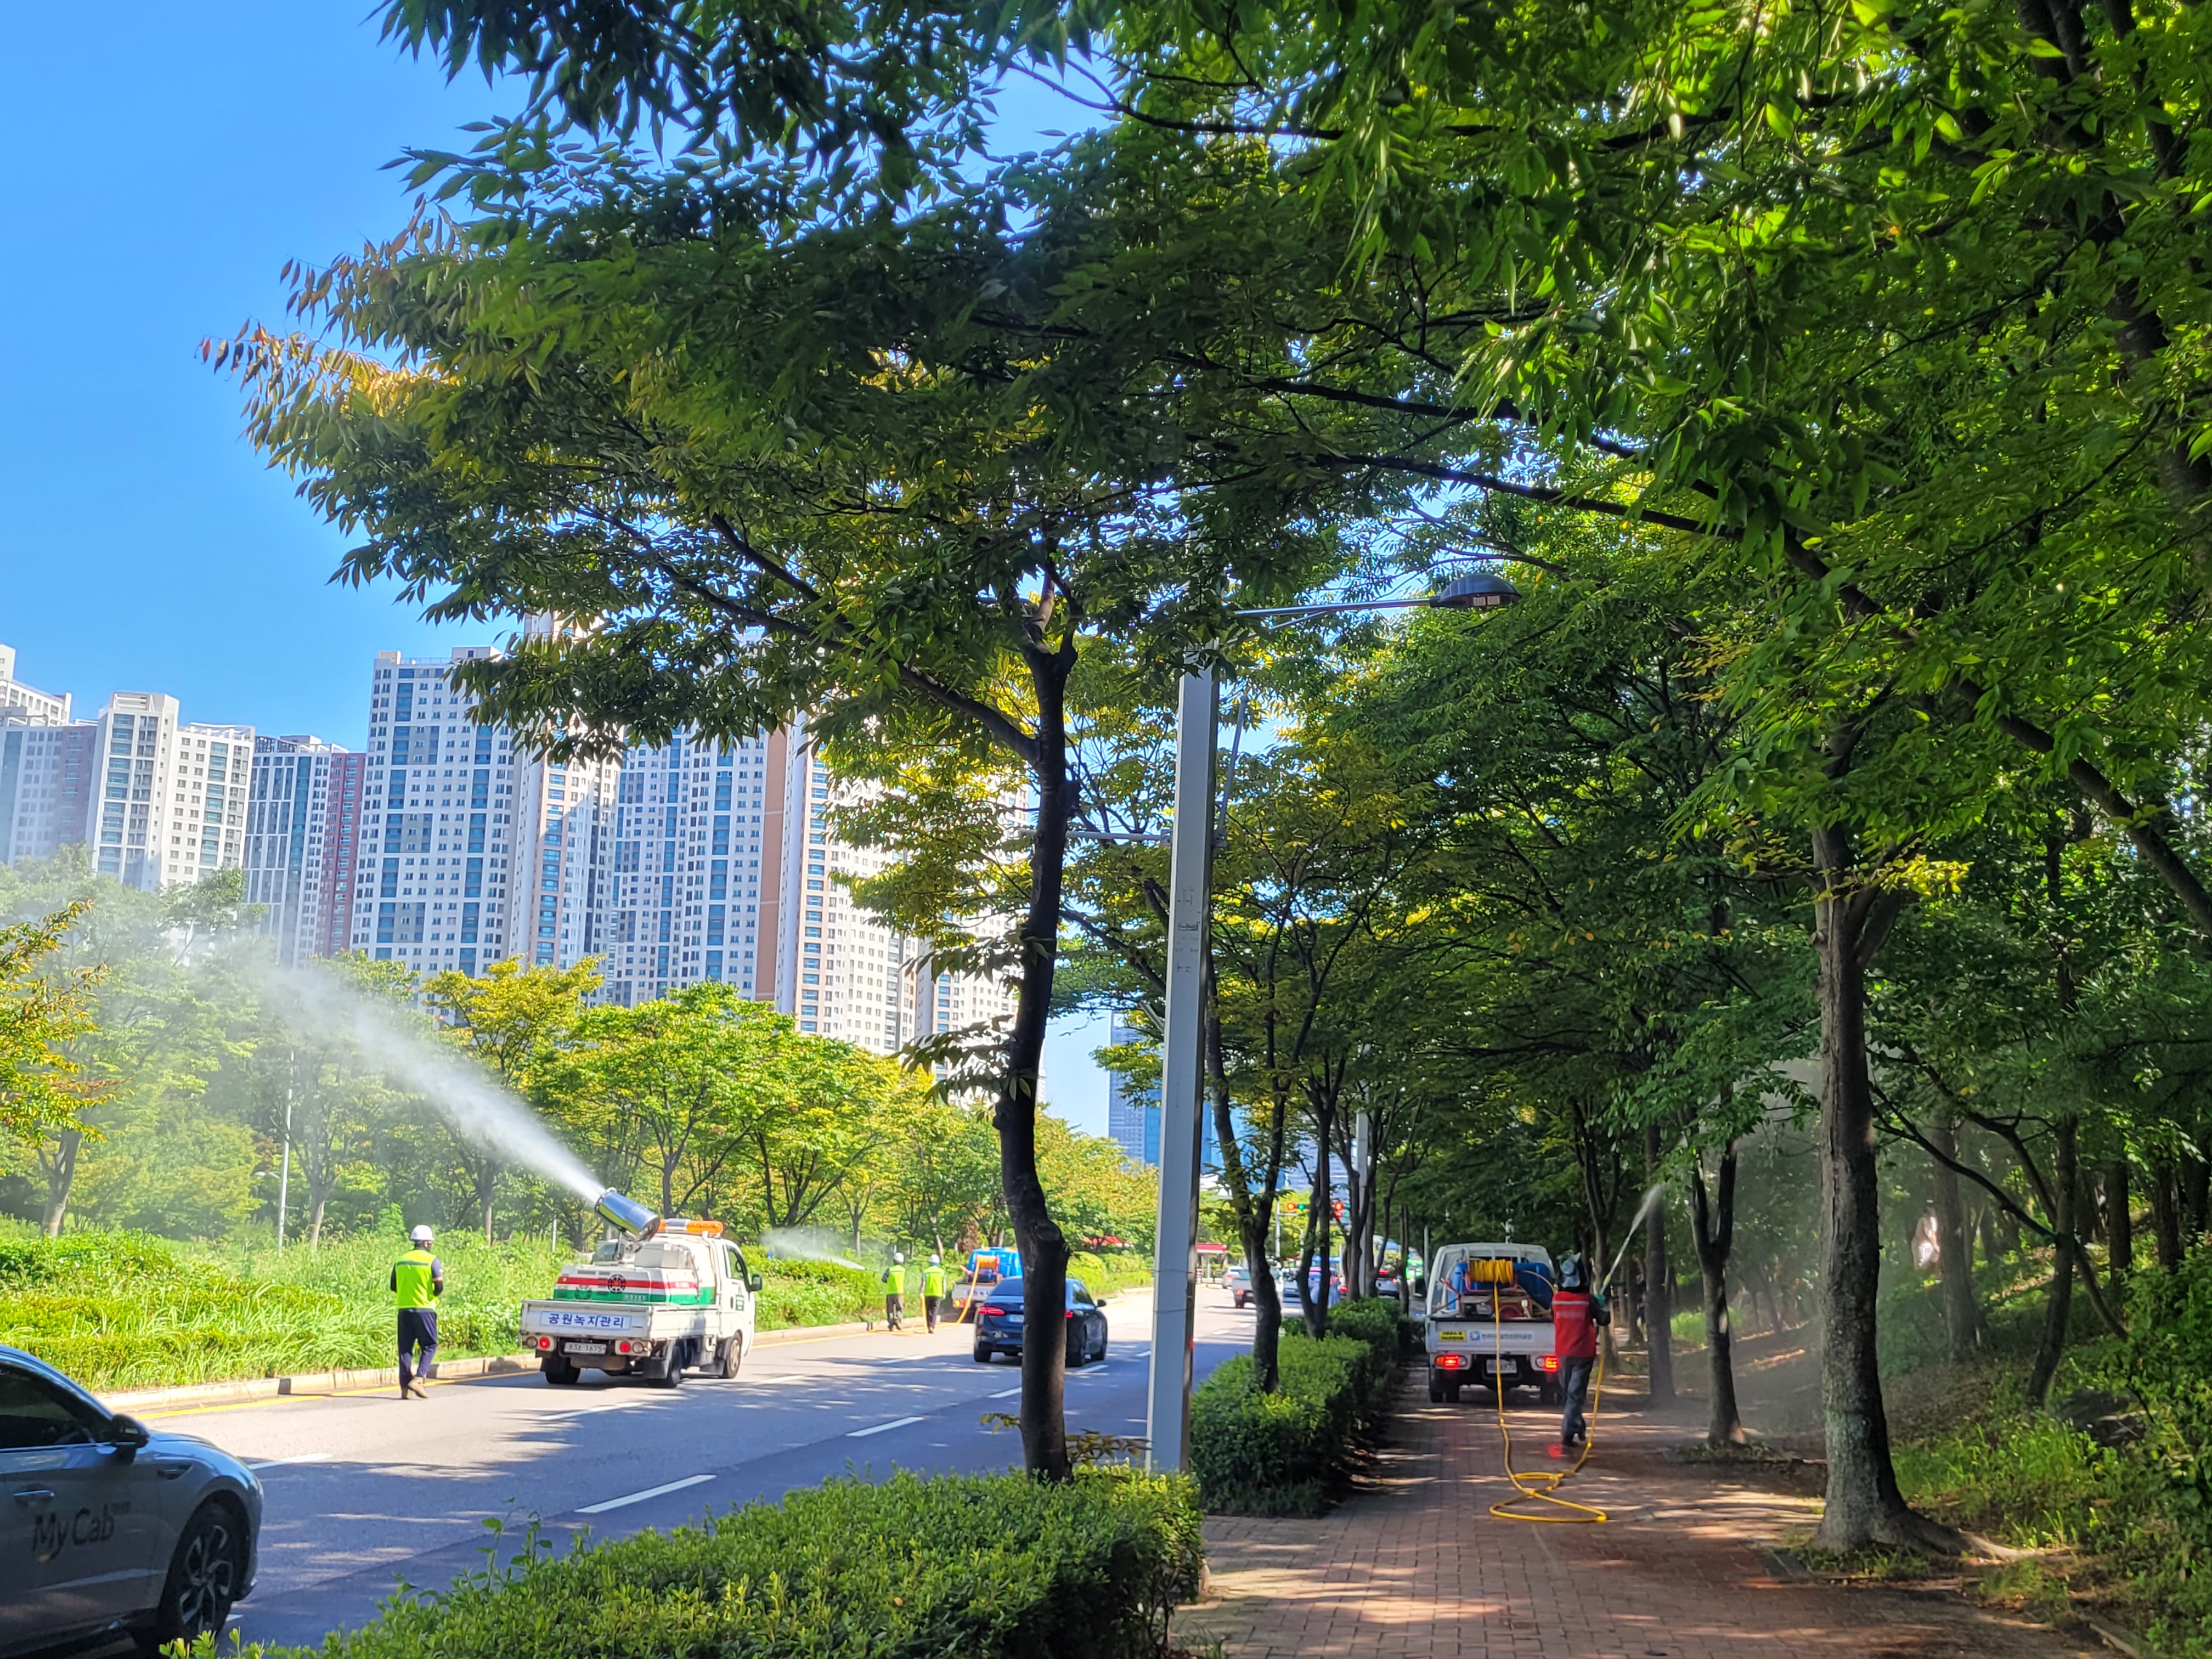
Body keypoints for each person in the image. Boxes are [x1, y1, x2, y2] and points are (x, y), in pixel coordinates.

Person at [1550, 1251, 1610, 1454]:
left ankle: (1569, 1431)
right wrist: (1601, 1304)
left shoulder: (1556, 1300)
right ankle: (1574, 1428)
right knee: (1574, 1396)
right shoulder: (1587, 1300)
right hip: (1583, 1354)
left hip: (1563, 1353)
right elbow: (1605, 1320)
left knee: (1570, 1394)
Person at [391, 1224, 444, 1400]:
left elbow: (393, 1285)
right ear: (427, 1243)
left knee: (405, 1349)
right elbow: (439, 1287)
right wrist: (430, 1296)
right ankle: (419, 1379)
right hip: (425, 1309)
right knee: (430, 1345)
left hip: (404, 1309)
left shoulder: (401, 1260)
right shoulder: (432, 1261)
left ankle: (405, 1388)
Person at [922, 1252, 947, 1333]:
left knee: (928, 1310)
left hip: (928, 1294)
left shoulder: (926, 1271)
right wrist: (944, 1293)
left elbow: (924, 1283)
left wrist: (921, 1292)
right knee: (935, 1311)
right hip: (938, 1294)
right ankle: (932, 1326)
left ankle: (928, 1325)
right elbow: (944, 1284)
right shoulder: (941, 1272)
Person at [882, 1251, 906, 1331]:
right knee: (900, 1308)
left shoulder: (890, 1270)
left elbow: (884, 1279)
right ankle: (898, 1319)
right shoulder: (903, 1270)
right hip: (899, 1292)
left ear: (894, 1260)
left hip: (890, 1292)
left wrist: (888, 1282)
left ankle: (891, 1324)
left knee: (890, 1309)